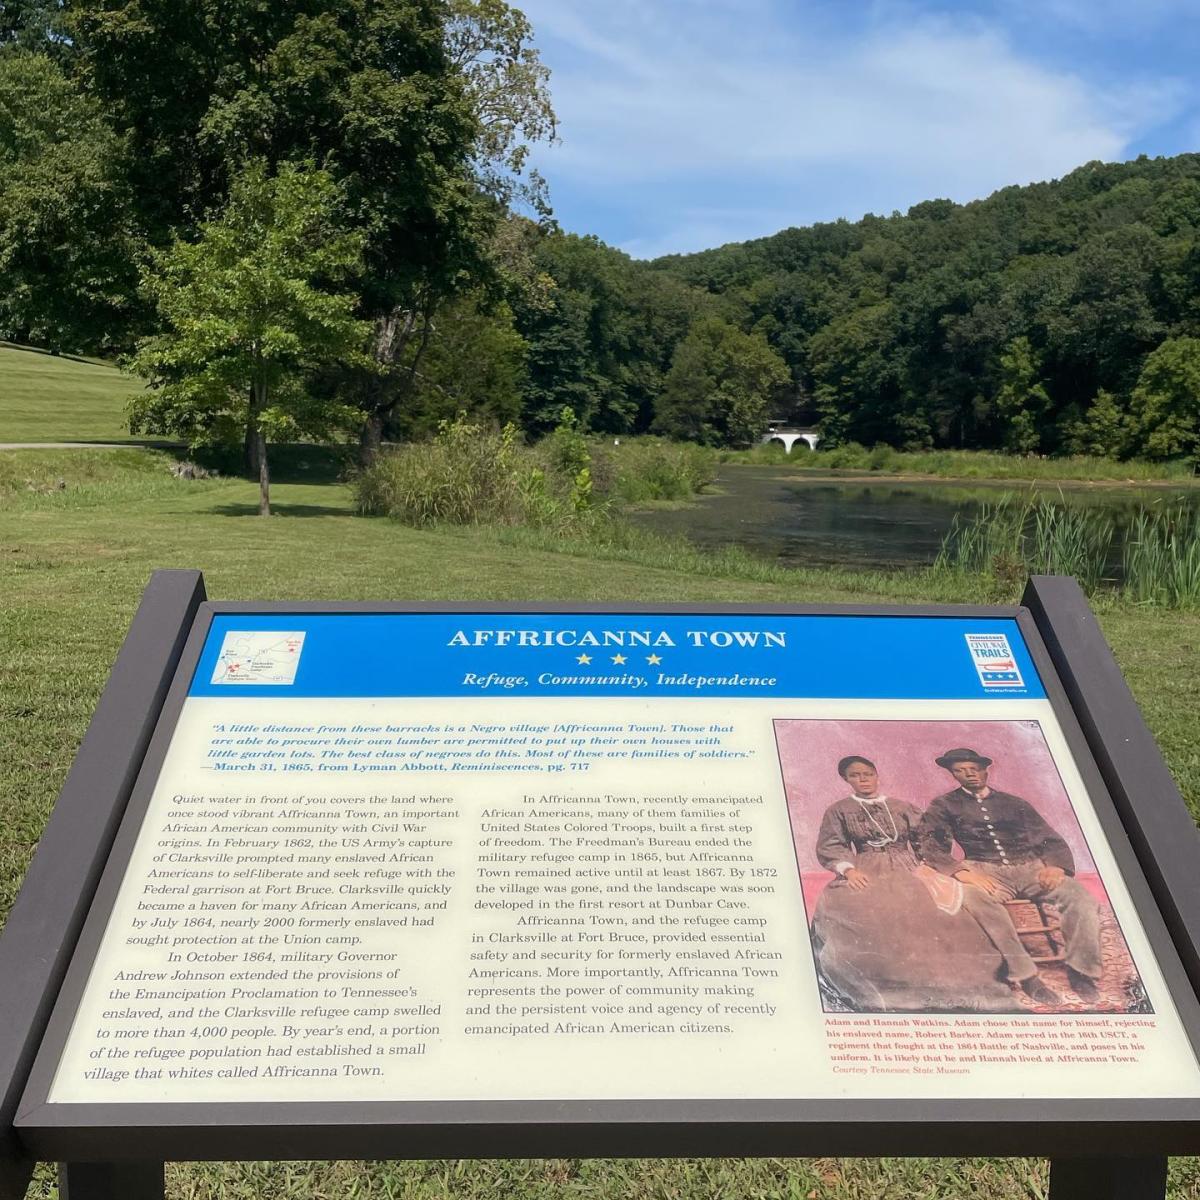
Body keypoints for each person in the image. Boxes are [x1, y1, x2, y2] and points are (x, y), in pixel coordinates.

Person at [811, 755, 1020, 1012]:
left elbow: (928, 841)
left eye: (867, 773)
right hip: (867, 869)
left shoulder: (902, 807)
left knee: (944, 911)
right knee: (860, 909)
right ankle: (894, 985)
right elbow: (832, 845)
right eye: (855, 775)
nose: (862, 779)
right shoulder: (839, 810)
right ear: (846, 780)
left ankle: (956, 983)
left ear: (877, 775)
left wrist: (938, 867)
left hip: (911, 867)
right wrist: (850, 871)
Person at [917, 748, 1103, 1006]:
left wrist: (1056, 867)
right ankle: (1027, 976)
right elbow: (930, 845)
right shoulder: (944, 805)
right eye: (960, 771)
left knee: (1081, 898)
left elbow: (1048, 838)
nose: (968, 774)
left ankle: (1081, 971)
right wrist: (963, 872)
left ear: (985, 770)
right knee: (975, 900)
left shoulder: (1015, 803)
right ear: (953, 774)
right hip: (983, 870)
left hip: (1030, 869)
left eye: (973, 768)